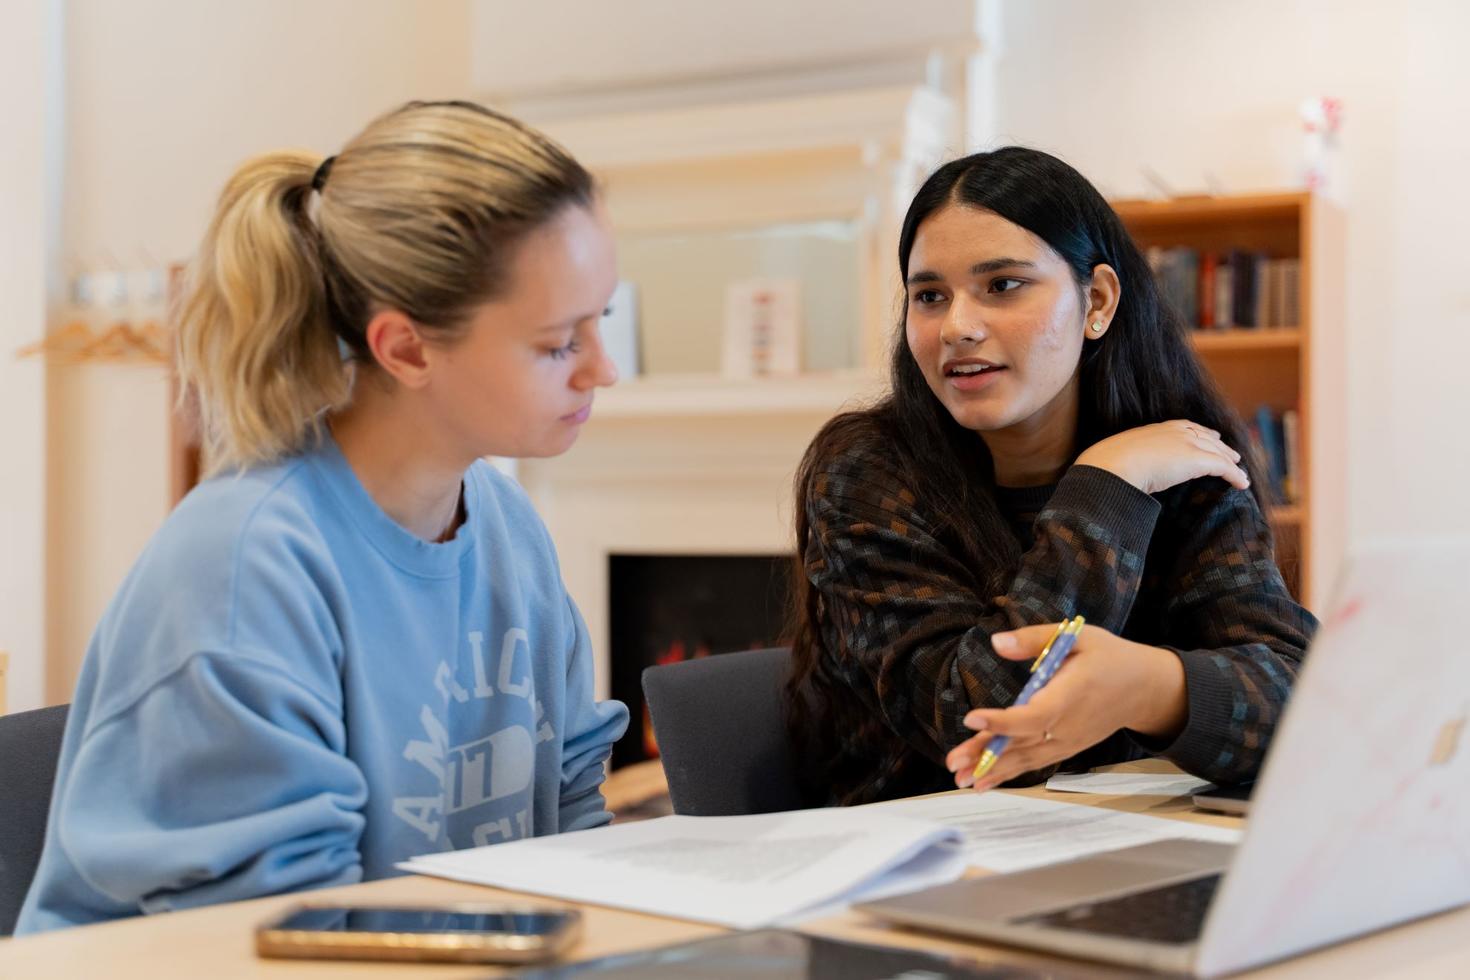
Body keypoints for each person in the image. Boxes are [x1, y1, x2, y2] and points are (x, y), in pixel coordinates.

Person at [18, 100, 628, 933]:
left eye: (605, 320)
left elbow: (571, 822)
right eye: (559, 342)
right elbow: (269, 942)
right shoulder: (245, 565)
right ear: (406, 348)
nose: (604, 370)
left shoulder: (507, 526)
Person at [785, 147, 1316, 806]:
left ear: (1096, 301)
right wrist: (1105, 485)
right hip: (918, 851)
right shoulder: (866, 470)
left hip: (1134, 841)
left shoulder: (1177, 456)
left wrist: (1149, 686)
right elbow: (978, 721)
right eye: (930, 296)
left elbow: (1305, 705)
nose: (957, 327)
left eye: (1003, 285)